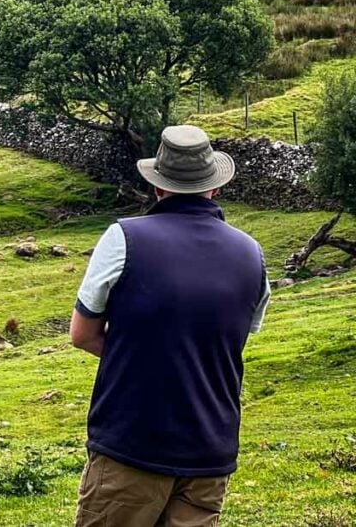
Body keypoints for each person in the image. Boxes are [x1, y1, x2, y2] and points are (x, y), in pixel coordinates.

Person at [70, 125, 271, 527]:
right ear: (214, 187)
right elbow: (231, 338)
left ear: (157, 186)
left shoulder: (123, 237)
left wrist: (141, 357)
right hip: (210, 449)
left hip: (133, 441)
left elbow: (82, 333)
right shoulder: (252, 254)